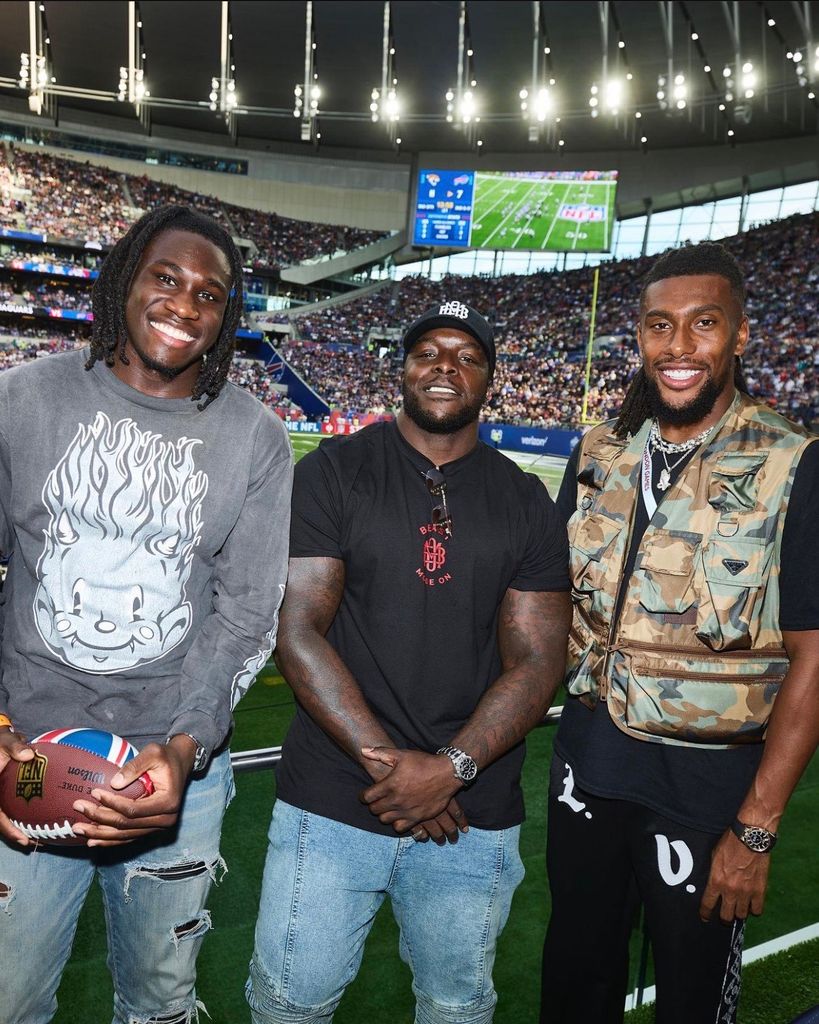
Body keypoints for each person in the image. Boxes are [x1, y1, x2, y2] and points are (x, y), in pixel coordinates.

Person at [0, 204, 293, 1024]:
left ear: (226, 315)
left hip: (172, 769)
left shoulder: (256, 437)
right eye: (166, 278)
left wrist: (184, 747)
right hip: (28, 752)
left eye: (210, 294)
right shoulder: (20, 400)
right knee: (8, 998)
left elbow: (246, 613)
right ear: (125, 279)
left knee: (159, 1003)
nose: (184, 305)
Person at [246, 301, 571, 1024]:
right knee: (289, 1005)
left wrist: (450, 769)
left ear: (489, 378)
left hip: (470, 811)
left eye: (466, 355)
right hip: (335, 797)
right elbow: (297, 628)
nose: (444, 366)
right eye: (428, 351)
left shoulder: (525, 500)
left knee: (455, 1009)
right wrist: (394, 769)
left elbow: (539, 658)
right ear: (402, 368)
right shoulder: (334, 470)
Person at [540, 242, 819, 1024]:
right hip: (586, 768)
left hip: (704, 791)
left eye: (703, 323)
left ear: (740, 334)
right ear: (638, 335)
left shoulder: (791, 463)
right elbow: (549, 602)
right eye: (659, 325)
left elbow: (814, 657)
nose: (678, 345)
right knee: (573, 982)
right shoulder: (597, 453)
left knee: (691, 1002)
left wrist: (754, 829)